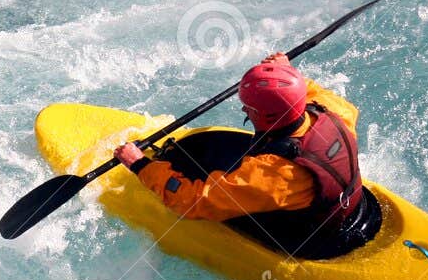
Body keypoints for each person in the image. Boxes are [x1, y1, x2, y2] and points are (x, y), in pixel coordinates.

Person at [112, 53, 382, 259]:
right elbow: (309, 92)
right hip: (355, 208)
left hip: (310, 235)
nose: (244, 109)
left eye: (249, 108)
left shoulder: (275, 174)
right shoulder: (334, 112)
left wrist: (141, 165)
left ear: (267, 116)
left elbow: (195, 202)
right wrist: (284, 72)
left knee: (206, 195)